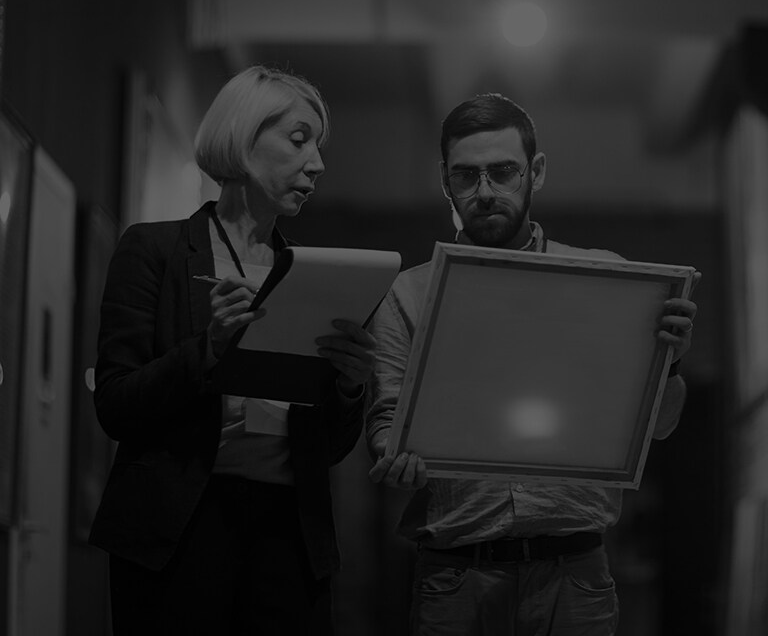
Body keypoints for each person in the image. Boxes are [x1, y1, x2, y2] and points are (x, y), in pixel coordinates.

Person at [366, 92, 699, 636]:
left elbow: (658, 428)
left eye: (503, 172)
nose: (485, 191)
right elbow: (385, 426)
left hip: (574, 572)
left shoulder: (606, 282)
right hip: (457, 575)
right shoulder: (407, 296)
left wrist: (671, 363)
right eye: (466, 176)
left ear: (535, 172)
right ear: (445, 180)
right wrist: (396, 455)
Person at [89, 66, 376, 635]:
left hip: (289, 537)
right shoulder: (154, 250)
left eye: (318, 146)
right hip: (179, 530)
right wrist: (209, 349)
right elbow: (115, 405)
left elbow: (331, 450)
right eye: (299, 140)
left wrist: (348, 385)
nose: (316, 163)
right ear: (244, 139)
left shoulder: (312, 278)